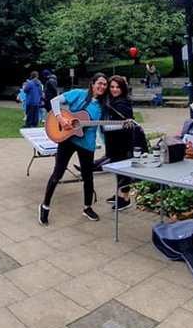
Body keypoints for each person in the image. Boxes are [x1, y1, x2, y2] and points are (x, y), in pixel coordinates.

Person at [40, 73, 110, 226]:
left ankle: (87, 208)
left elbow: (102, 130)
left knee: (88, 177)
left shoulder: (103, 106)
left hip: (87, 144)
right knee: (57, 173)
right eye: (100, 83)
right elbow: (54, 101)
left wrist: (109, 147)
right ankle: (45, 206)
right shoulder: (79, 94)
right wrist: (60, 118)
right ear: (92, 83)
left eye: (105, 84)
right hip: (68, 139)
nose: (102, 87)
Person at [102, 75, 137, 211]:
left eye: (117, 87)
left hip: (123, 142)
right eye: (112, 87)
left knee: (123, 169)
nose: (114, 89)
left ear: (123, 88)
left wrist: (105, 126)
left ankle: (125, 198)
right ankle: (119, 193)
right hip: (115, 141)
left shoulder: (122, 103)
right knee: (118, 168)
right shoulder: (114, 100)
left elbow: (125, 125)